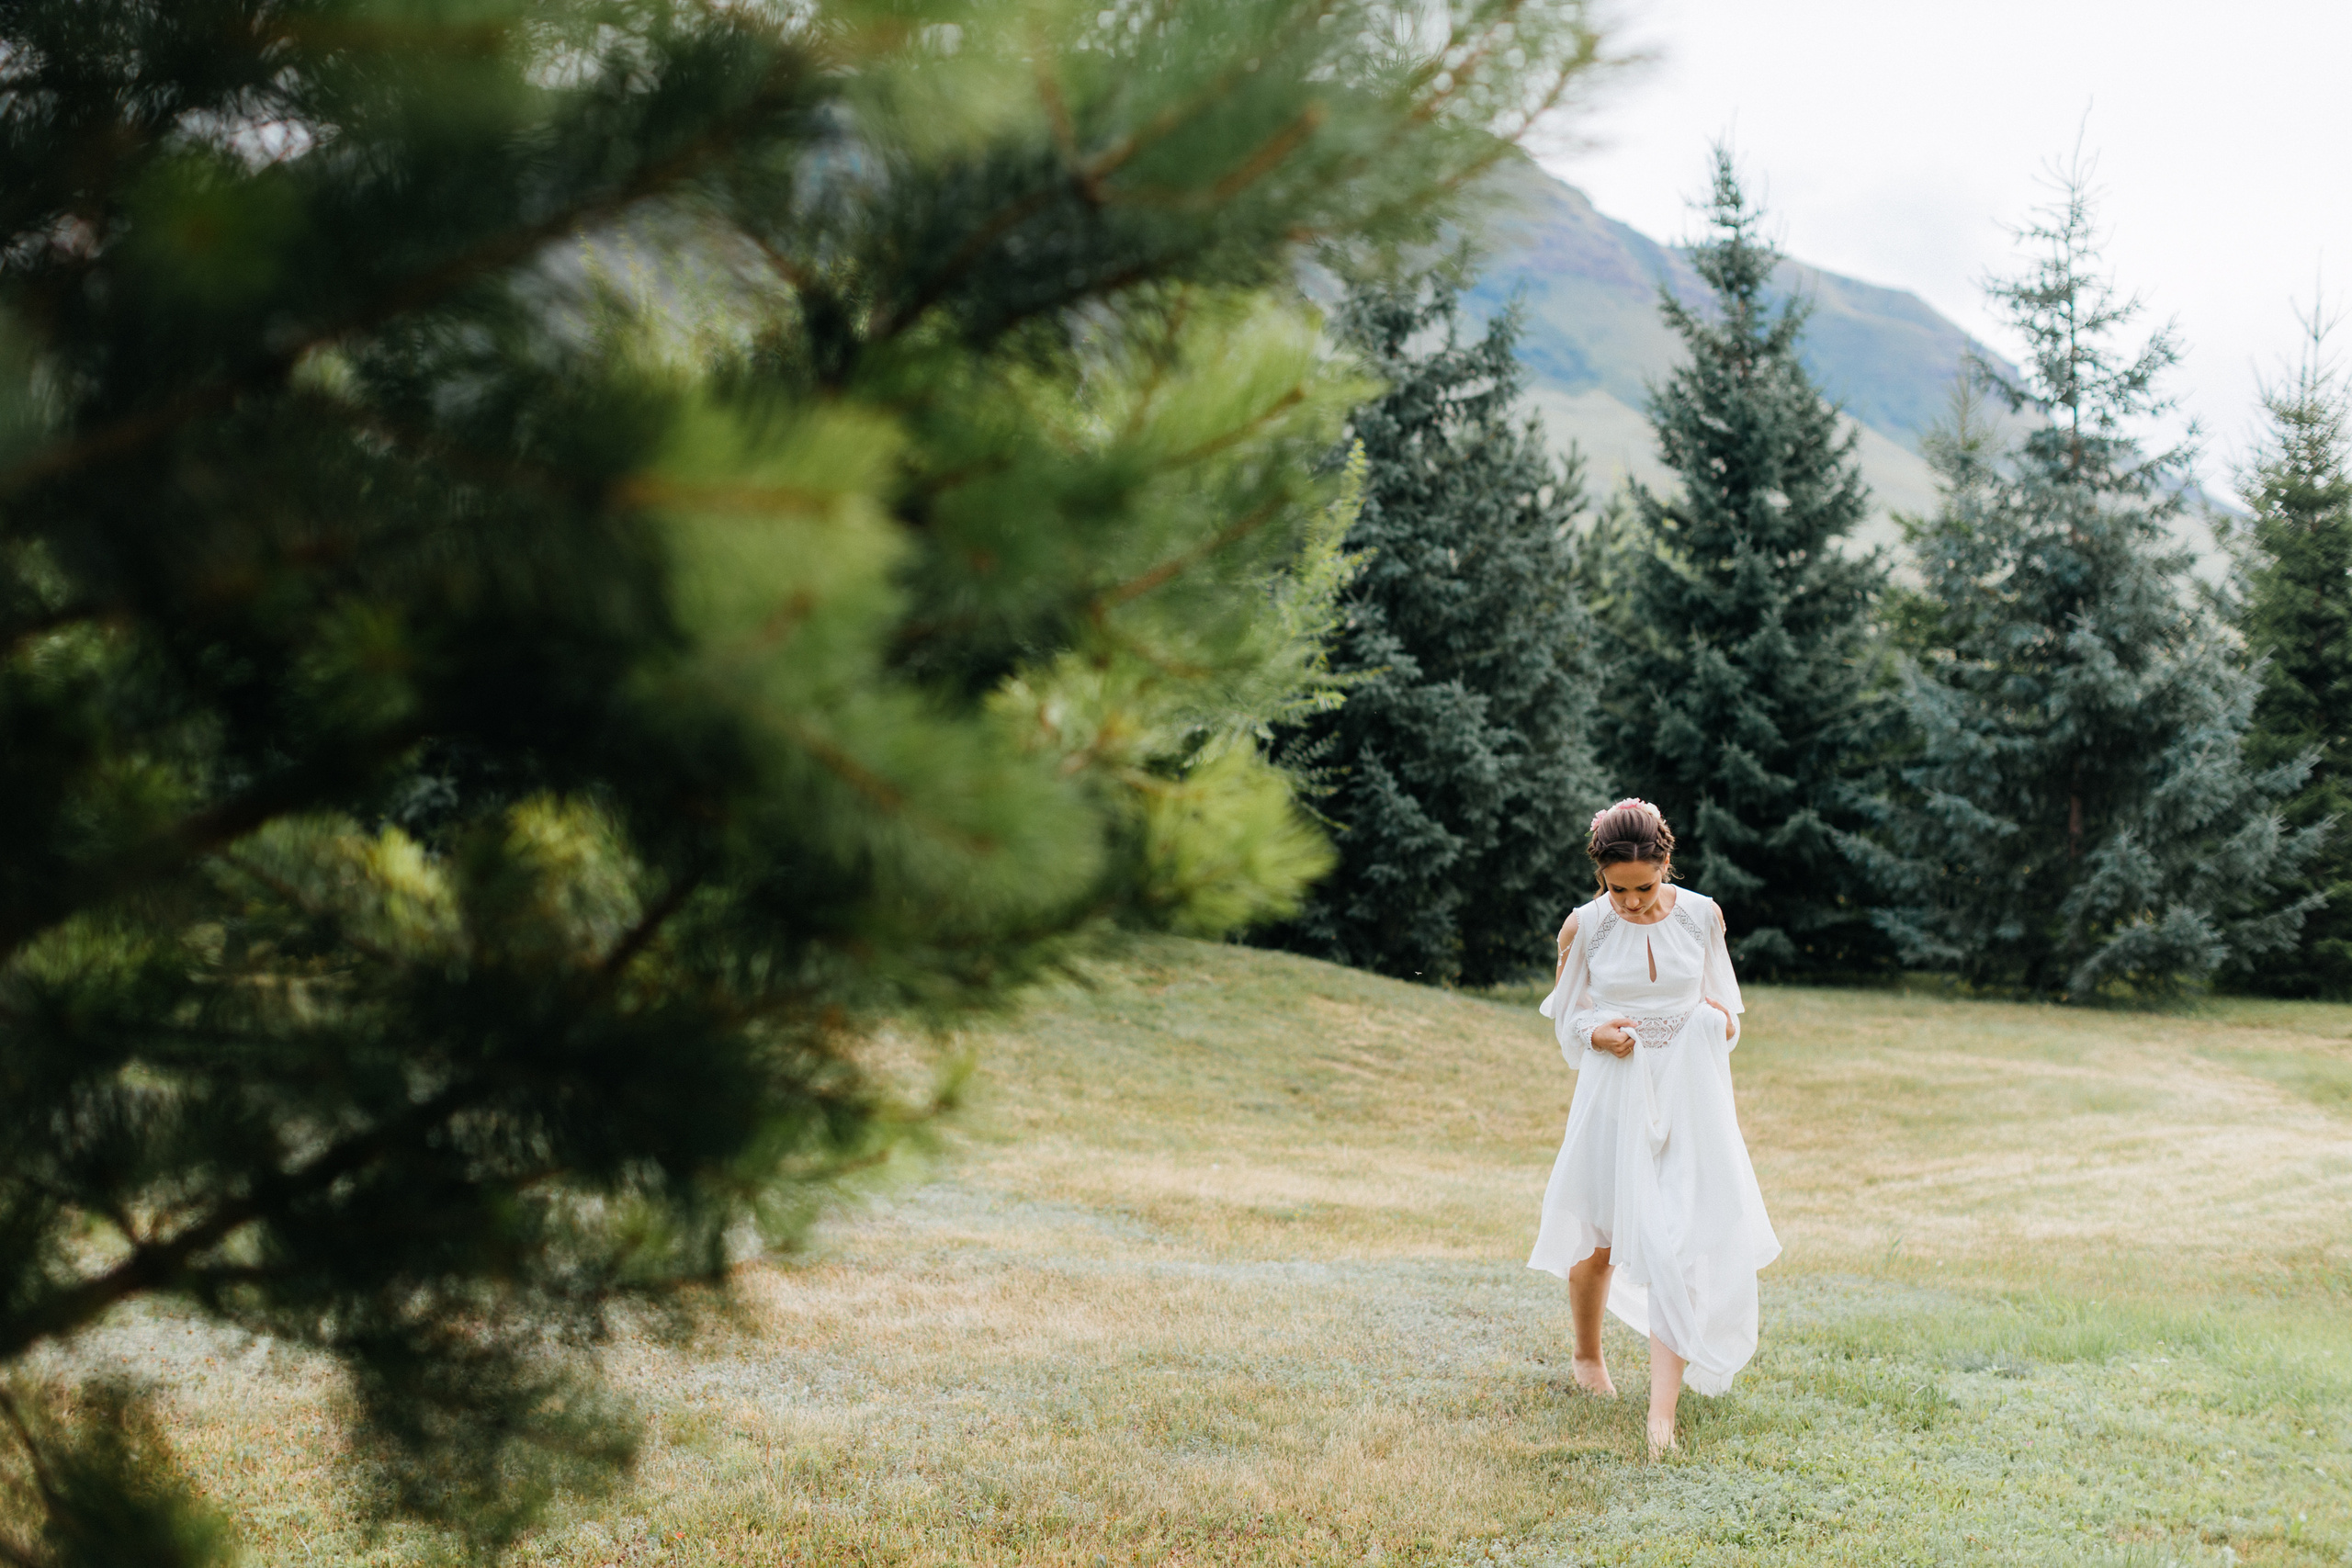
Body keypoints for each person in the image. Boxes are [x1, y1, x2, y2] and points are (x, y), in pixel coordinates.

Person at [1529, 798, 1780, 1456]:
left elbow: (1725, 1006)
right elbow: (1567, 1016)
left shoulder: (1702, 915)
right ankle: (1588, 1354)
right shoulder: (1585, 927)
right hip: (1615, 1089)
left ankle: (1660, 1413)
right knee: (1600, 1232)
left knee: (1676, 1236)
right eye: (1619, 890)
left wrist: (1714, 1023)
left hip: (1688, 1093)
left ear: (1666, 863)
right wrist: (1596, 1031)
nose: (1634, 902)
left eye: (1645, 886)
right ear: (1599, 876)